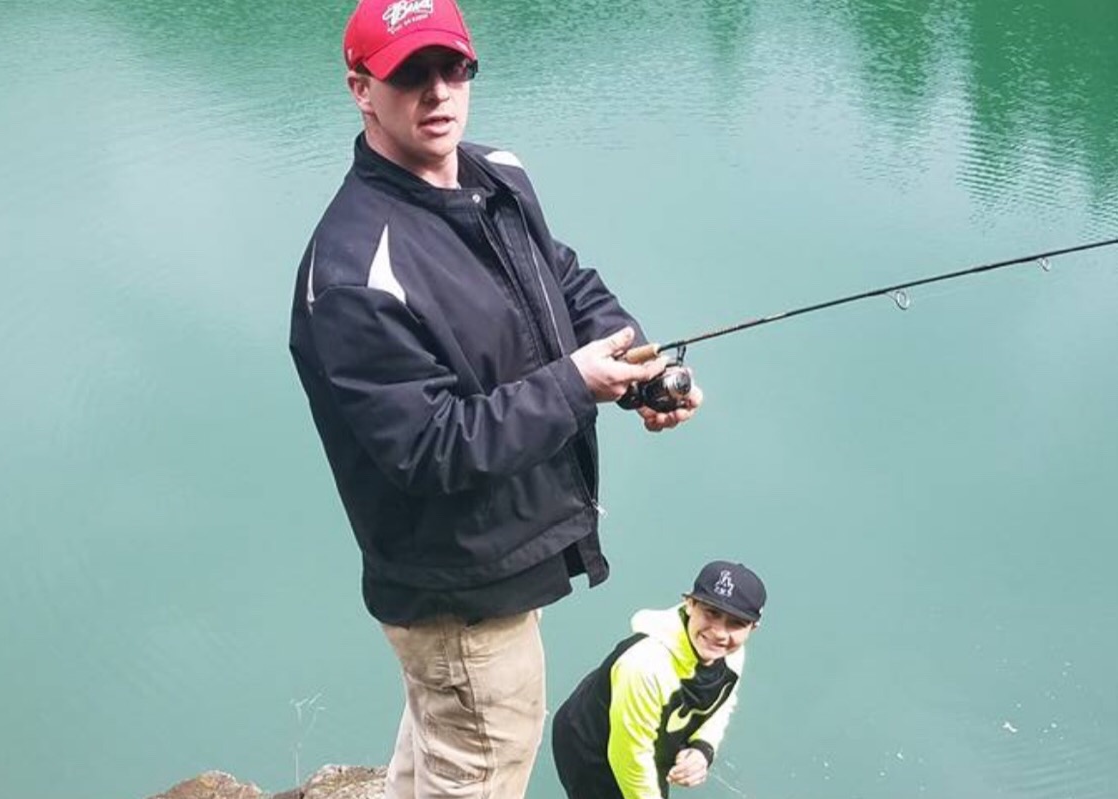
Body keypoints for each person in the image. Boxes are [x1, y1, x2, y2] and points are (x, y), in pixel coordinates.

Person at [287, 0, 704, 796]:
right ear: (361, 88)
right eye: (410, 74)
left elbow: (562, 280)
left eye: (454, 68)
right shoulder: (353, 270)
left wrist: (638, 368)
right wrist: (576, 383)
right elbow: (431, 446)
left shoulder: (496, 174)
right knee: (479, 767)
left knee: (441, 753)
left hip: (498, 555)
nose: (438, 91)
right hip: (457, 592)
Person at [551, 561, 766, 799]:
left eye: (736, 623)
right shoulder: (645, 666)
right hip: (592, 747)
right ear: (690, 604)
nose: (720, 633)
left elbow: (722, 700)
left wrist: (703, 747)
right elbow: (631, 758)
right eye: (711, 613)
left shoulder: (730, 654)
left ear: (752, 628)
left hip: (648, 738)